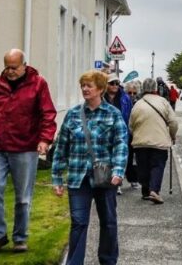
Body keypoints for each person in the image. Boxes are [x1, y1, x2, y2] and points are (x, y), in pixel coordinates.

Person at [0, 49, 57, 256]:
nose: (9, 71)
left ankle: (20, 238)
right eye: (6, 67)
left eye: (14, 68)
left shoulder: (38, 84)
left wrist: (45, 139)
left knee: (23, 198)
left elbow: (48, 113)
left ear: (24, 65)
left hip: (25, 148)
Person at [52, 70, 129, 265]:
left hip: (105, 177)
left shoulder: (113, 114)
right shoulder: (72, 115)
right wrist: (57, 178)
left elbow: (121, 144)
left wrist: (119, 170)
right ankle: (74, 262)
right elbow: (61, 147)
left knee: (108, 222)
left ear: (101, 89)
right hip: (78, 177)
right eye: (83, 86)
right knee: (78, 223)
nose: (85, 89)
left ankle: (108, 260)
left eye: (89, 86)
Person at [129, 78, 178, 204]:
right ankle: (154, 191)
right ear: (156, 88)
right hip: (159, 141)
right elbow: (173, 122)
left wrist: (135, 134)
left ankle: (145, 192)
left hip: (141, 142)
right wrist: (173, 135)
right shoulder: (163, 102)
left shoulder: (137, 104)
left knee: (143, 166)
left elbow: (131, 125)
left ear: (143, 89)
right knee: (157, 165)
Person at [103, 73, 132, 196]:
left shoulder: (125, 98)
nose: (115, 86)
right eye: (112, 83)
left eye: (116, 83)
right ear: (106, 85)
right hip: (105, 133)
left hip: (121, 131)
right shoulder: (101, 97)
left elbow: (130, 114)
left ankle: (117, 184)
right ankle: (106, 181)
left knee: (119, 158)